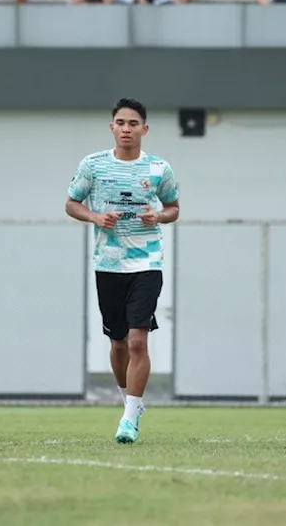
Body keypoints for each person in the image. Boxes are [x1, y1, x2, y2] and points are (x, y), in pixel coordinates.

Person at [65, 98, 180, 444]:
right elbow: (71, 203)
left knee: (138, 341)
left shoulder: (159, 168)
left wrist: (158, 216)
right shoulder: (93, 165)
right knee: (117, 343)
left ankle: (130, 415)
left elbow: (174, 208)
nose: (126, 129)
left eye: (133, 123)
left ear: (144, 129)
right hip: (108, 264)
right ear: (112, 127)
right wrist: (96, 217)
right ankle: (128, 399)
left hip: (147, 263)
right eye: (120, 122)